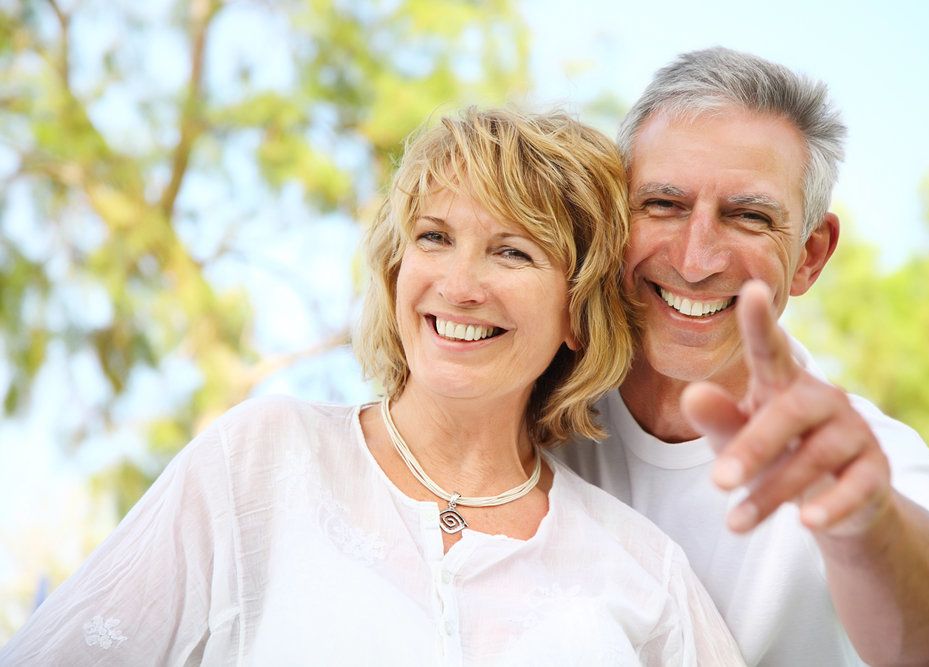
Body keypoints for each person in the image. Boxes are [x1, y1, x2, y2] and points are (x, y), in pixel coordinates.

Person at [0, 108, 745, 665]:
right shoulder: (262, 458)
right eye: (434, 237)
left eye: (512, 252)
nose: (459, 285)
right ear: (396, 271)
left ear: (577, 314)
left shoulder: (644, 572)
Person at [554, 47, 929, 666]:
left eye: (749, 217)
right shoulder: (531, 404)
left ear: (809, 254)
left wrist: (867, 519)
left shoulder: (865, 459)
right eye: (664, 205)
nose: (697, 261)